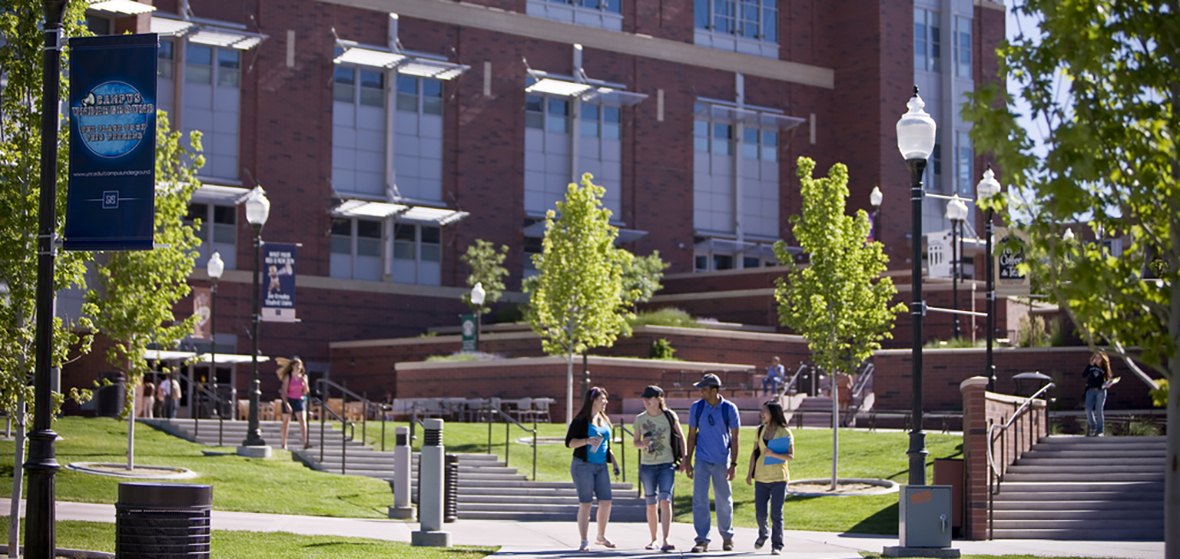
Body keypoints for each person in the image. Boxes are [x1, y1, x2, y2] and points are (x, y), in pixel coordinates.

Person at [686, 373, 741, 553]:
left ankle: (727, 537)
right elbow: (692, 434)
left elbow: (735, 437)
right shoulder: (697, 408)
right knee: (700, 500)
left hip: (721, 461)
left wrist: (733, 464)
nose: (700, 391)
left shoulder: (729, 409)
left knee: (724, 500)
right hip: (701, 460)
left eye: (704, 388)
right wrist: (688, 460)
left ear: (714, 390)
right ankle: (702, 540)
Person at [565, 386, 620, 552]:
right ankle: (583, 541)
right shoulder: (581, 420)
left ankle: (601, 536)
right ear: (593, 401)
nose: (605, 402)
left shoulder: (604, 419)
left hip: (601, 466)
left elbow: (606, 445)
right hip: (583, 466)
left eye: (605, 399)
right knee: (586, 504)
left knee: (606, 502)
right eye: (602, 399)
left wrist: (615, 464)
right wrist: (587, 441)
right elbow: (569, 443)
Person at [632, 385, 685, 552]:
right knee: (651, 504)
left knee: (665, 500)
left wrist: (684, 460)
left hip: (666, 464)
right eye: (644, 398)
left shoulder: (669, 416)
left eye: (650, 398)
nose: (646, 401)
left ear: (659, 398)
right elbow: (635, 442)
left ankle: (666, 539)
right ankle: (653, 539)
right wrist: (642, 444)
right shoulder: (640, 419)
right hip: (647, 466)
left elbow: (681, 436)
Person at [745, 400, 794, 555]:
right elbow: (755, 453)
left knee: (776, 514)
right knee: (760, 512)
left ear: (772, 413)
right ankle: (763, 533)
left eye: (764, 411)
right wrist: (749, 473)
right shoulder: (760, 430)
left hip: (779, 478)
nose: (761, 414)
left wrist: (774, 454)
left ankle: (777, 544)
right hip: (761, 478)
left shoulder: (785, 432)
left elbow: (790, 456)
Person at [277, 357, 311, 450]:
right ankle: (284, 443)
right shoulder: (288, 377)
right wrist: (286, 403)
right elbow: (284, 392)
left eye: (300, 365)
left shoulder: (303, 377)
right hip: (289, 399)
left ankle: (305, 442)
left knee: (302, 420)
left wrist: (305, 383)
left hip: (299, 399)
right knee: (286, 422)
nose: (298, 367)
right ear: (292, 366)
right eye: (296, 365)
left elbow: (305, 392)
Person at [1082, 351, 1113, 437]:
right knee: (1088, 409)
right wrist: (1089, 365)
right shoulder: (1091, 367)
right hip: (1090, 390)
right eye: (1095, 357)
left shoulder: (1104, 368)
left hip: (1100, 391)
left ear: (1102, 359)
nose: (1097, 360)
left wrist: (1108, 384)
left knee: (1099, 411)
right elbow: (1084, 374)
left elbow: (1108, 379)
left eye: (1099, 358)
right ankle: (1093, 427)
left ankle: (1100, 431)